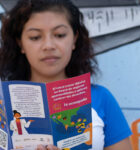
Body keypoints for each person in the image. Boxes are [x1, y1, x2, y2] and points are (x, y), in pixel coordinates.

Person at [0, 0, 132, 150]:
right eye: (35, 37)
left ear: (74, 39)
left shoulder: (102, 98)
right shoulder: (2, 104)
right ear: (20, 43)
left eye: (60, 35)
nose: (49, 45)